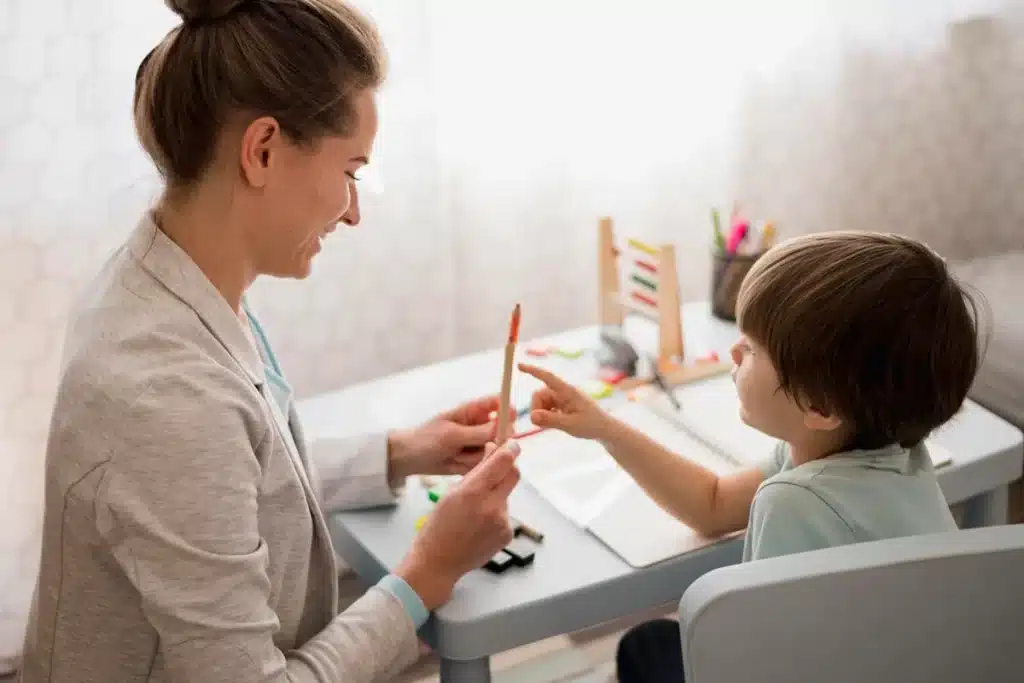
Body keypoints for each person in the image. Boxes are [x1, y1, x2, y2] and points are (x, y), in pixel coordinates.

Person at [18, 1, 523, 682]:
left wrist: (400, 453)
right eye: (350, 169)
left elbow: (232, 480)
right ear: (261, 151)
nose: (354, 210)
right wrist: (426, 572)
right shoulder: (161, 390)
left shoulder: (166, 278)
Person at [520, 231, 983, 683]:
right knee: (654, 642)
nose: (733, 352)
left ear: (819, 408)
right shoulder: (899, 451)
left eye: (753, 348)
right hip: (908, 660)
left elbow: (763, 662)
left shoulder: (793, 503)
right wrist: (606, 428)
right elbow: (713, 504)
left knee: (644, 647)